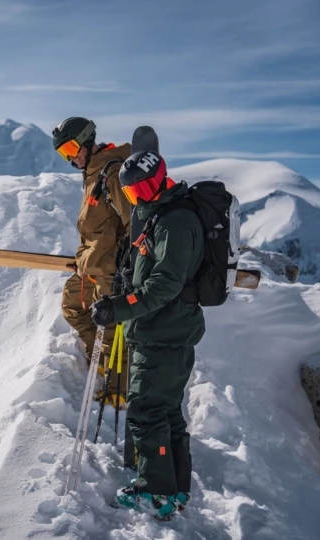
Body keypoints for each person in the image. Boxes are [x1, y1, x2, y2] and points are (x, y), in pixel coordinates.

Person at [90, 150, 204, 520]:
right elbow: (152, 273)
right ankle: (175, 490)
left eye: (142, 189)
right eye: (131, 194)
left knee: (145, 413)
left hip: (163, 333)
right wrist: (127, 283)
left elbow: (165, 284)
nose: (138, 198)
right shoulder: (161, 217)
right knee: (167, 414)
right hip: (165, 330)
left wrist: (118, 309)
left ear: (158, 181)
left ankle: (155, 491)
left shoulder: (176, 221)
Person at [51, 117, 132, 405]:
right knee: (72, 304)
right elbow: (96, 229)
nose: (71, 158)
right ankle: (98, 359)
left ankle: (119, 390)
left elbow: (133, 222)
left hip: (112, 270)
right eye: (64, 154)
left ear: (88, 140)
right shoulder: (92, 174)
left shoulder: (113, 173)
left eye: (72, 148)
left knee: (112, 330)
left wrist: (126, 266)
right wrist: (84, 258)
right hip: (92, 267)